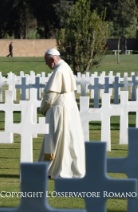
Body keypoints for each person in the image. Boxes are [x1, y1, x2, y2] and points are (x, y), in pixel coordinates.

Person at [38, 48, 85, 179]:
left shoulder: (59, 71)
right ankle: (71, 169)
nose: (46, 64)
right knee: (69, 138)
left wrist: (43, 108)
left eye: (47, 61)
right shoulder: (66, 67)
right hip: (69, 108)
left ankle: (53, 169)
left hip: (59, 109)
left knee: (56, 139)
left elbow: (51, 95)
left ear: (53, 59)